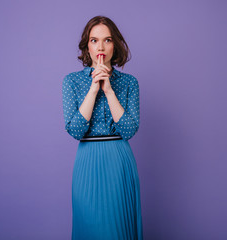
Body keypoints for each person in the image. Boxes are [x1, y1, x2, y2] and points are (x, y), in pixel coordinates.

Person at [62, 15, 143, 240]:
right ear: (87, 45)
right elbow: (76, 131)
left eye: (107, 40)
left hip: (119, 162)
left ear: (115, 44)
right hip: (87, 163)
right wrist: (94, 88)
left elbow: (128, 131)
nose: (100, 46)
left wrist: (108, 90)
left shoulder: (129, 83)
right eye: (94, 40)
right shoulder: (72, 81)